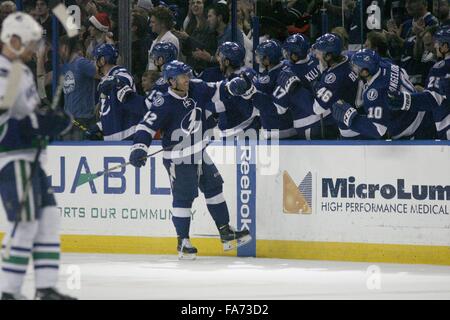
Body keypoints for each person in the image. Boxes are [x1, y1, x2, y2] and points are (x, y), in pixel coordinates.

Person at [128, 60, 251, 260]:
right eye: (182, 77)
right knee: (184, 199)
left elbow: (218, 89)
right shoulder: (163, 103)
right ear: (171, 81)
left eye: (187, 75)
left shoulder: (197, 88)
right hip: (178, 158)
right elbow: (146, 127)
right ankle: (183, 242)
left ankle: (226, 232)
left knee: (214, 189)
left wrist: (233, 85)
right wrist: (139, 147)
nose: (187, 79)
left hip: (200, 152)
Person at [0, 12, 75, 300]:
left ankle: (45, 288)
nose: (35, 49)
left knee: (48, 220)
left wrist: (50, 119)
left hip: (32, 158)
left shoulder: (23, 71)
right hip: (12, 159)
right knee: (26, 223)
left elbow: (27, 115)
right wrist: (38, 124)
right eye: (31, 42)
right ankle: (9, 292)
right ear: (14, 39)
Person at [332, 49, 435, 139]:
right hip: (425, 112)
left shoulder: (374, 94)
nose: (353, 69)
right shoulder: (386, 63)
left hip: (413, 129)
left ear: (365, 72)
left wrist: (350, 118)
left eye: (356, 67)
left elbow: (378, 130)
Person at [387, 27, 450, 139]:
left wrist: (403, 100)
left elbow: (432, 99)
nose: (435, 46)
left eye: (438, 43)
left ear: (445, 47)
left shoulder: (442, 68)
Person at [94, 44, 147, 141]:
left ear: (102, 61)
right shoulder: (104, 81)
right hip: (112, 140)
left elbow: (123, 80)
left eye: (95, 59)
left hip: (128, 137)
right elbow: (109, 111)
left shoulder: (120, 73)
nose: (93, 63)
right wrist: (99, 127)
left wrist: (116, 80)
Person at [310, 33, 358, 139]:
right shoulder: (351, 57)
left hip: (352, 131)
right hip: (365, 119)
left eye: (320, 53)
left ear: (328, 56)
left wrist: (318, 87)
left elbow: (318, 109)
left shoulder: (333, 78)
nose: (317, 56)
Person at [60, 35, 97, 141]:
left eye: (60, 48)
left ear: (66, 47)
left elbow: (103, 74)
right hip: (69, 119)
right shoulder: (66, 66)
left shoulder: (81, 63)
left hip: (82, 119)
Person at [147, 6, 180, 71]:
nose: (150, 25)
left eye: (153, 22)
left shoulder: (171, 39)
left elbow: (166, 67)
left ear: (163, 24)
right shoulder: (156, 40)